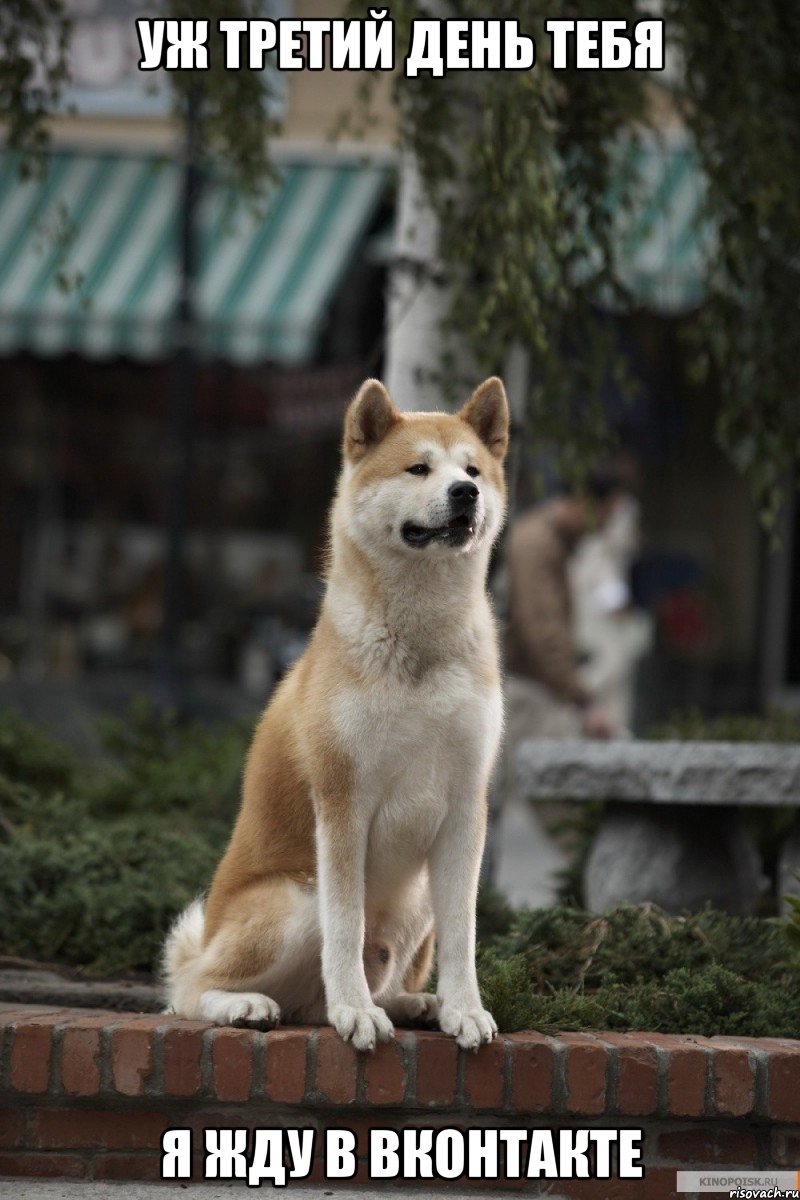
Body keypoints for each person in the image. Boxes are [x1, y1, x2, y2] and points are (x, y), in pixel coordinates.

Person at [504, 470, 627, 743]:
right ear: (586, 502)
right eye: (606, 515)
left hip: (537, 687)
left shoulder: (551, 541)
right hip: (527, 691)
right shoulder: (538, 544)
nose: (605, 527)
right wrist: (583, 701)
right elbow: (542, 630)